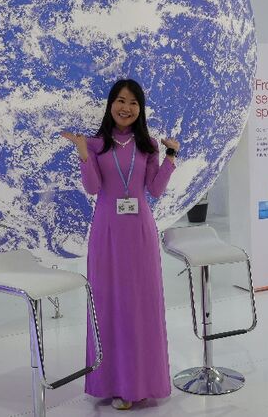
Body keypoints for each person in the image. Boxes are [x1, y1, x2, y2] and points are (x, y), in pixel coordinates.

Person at [62, 79, 180, 411]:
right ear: (110, 104)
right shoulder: (97, 143)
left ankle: (138, 385)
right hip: (107, 234)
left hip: (140, 234)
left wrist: (170, 156)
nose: (125, 108)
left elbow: (155, 190)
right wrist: (83, 153)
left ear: (140, 109)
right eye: (120, 100)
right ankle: (112, 382)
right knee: (108, 304)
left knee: (140, 307)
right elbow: (93, 187)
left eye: (132, 102)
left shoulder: (149, 146)